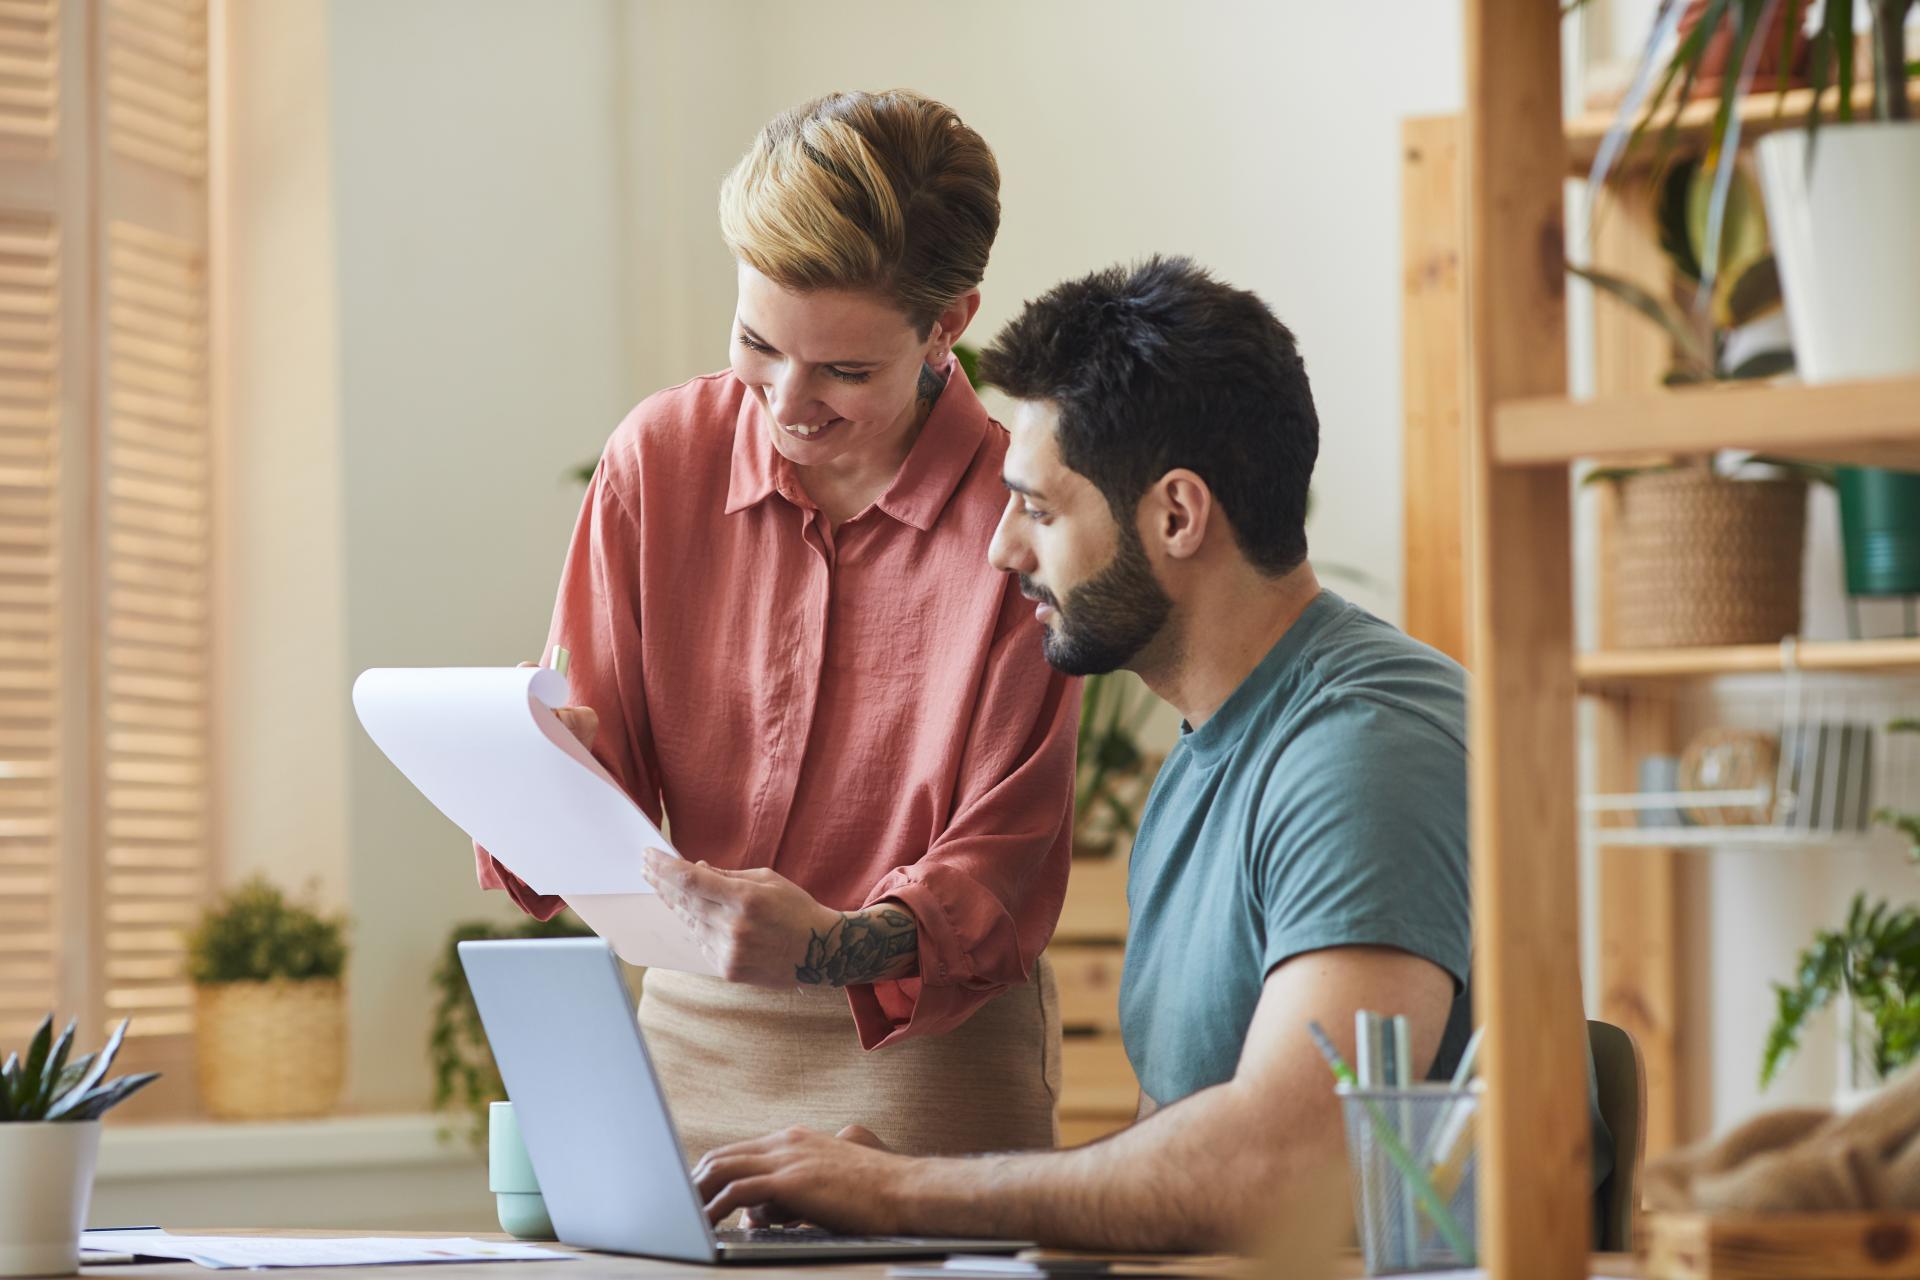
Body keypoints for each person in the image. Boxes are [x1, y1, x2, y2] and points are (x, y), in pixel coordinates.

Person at [690, 257, 1614, 1252]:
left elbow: (1292, 1160)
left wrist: (912, 1191)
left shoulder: (1365, 748)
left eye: (1039, 509)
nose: (1003, 549)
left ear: (1177, 514)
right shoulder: (1205, 760)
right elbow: (1174, 1171)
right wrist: (908, 1193)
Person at [475, 90, 1079, 1166]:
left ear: (950, 324)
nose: (789, 403)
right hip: (679, 1054)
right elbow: (587, 823)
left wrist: (829, 946)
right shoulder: (658, 461)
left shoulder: (1022, 517)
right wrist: (533, 771)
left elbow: (996, 877)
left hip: (929, 1079)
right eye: (758, 343)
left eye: (845, 370)